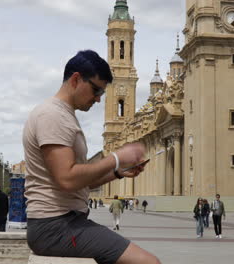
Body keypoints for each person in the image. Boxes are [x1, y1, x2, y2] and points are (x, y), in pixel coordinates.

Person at [23, 50, 160, 264]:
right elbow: (67, 178)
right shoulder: (52, 115)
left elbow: (79, 181)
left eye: (102, 94)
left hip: (60, 224)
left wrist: (117, 173)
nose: (97, 99)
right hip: (55, 227)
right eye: (96, 90)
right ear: (76, 79)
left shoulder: (64, 115)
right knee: (148, 262)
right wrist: (117, 157)